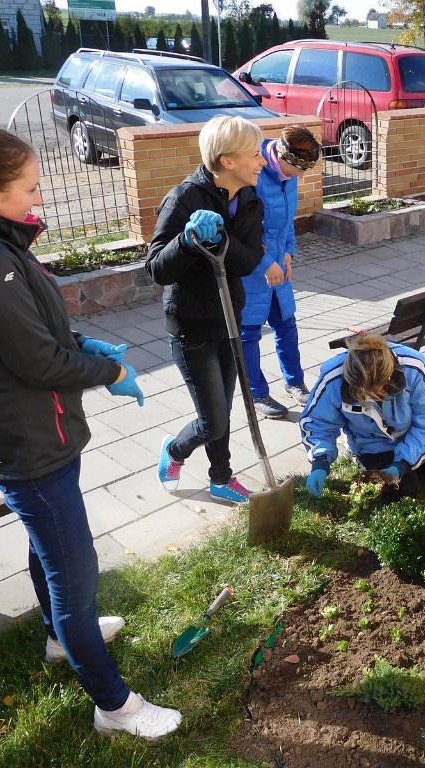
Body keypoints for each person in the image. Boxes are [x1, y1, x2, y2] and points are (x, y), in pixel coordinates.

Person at [0, 123, 180, 739]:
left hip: (38, 432)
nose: (40, 197)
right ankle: (114, 705)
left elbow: (35, 331)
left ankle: (59, 641)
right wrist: (111, 366)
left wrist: (78, 342)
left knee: (53, 549)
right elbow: (37, 363)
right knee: (75, 572)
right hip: (27, 442)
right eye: (32, 187)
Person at [147, 116, 267, 504]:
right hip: (191, 325)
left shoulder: (250, 200)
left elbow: (247, 262)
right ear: (228, 161)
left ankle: (220, 478)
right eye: (254, 154)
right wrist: (187, 239)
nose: (262, 161)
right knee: (212, 418)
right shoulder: (184, 198)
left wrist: (222, 240)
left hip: (229, 319)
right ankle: (175, 450)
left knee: (223, 411)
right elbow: (157, 269)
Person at [299, 334, 425, 500]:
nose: (370, 397)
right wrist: (320, 461)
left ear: (390, 376)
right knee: (403, 491)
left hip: (413, 433)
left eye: (377, 391)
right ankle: (414, 466)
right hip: (372, 445)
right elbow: (317, 423)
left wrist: (403, 462)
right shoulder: (333, 378)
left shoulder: (414, 367)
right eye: (362, 393)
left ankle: (416, 460)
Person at [240, 125, 321, 419]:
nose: (301, 176)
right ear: (280, 157)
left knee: (286, 324)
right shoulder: (253, 173)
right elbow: (241, 231)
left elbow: (288, 221)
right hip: (251, 269)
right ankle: (256, 393)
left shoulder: (289, 171)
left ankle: (295, 383)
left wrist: (288, 253)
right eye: (298, 170)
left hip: (278, 264)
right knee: (248, 332)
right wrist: (266, 264)